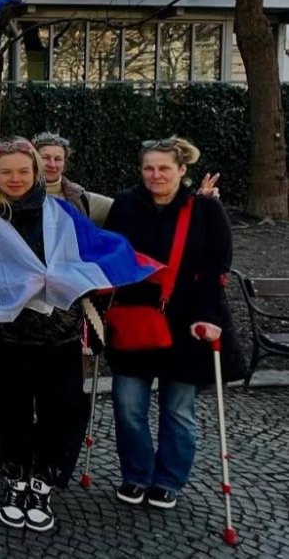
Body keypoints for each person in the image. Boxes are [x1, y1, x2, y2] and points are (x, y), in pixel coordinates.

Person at [0, 139, 87, 533]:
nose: (15, 178)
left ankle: (41, 480)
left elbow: (89, 256)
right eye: (6, 171)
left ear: (36, 172)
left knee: (56, 413)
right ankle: (15, 477)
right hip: (7, 337)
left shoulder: (62, 213)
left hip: (57, 336)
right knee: (8, 411)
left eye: (22, 171)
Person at [103, 137, 238, 511]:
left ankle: (168, 480)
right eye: (149, 168)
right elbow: (111, 258)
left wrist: (210, 319)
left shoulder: (205, 210)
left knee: (178, 411)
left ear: (182, 170)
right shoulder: (126, 205)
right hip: (135, 319)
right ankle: (136, 475)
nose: (156, 175)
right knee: (127, 406)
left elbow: (217, 269)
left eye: (164, 168)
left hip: (188, 323)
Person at [30, 132, 112, 225]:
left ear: (64, 163)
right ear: (34, 161)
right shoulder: (21, 193)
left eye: (58, 159)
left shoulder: (79, 197)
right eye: (45, 158)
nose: (52, 165)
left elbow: (120, 205)